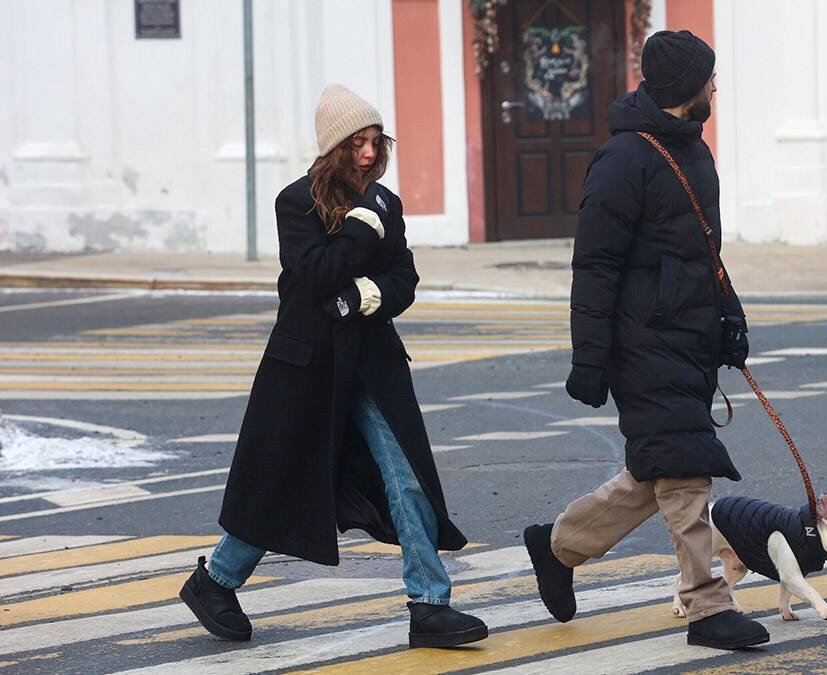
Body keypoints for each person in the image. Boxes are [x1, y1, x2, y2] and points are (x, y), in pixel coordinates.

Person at [179, 84, 487, 649]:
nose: (368, 155)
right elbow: (316, 273)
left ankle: (430, 604)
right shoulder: (295, 202)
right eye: (356, 144)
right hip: (307, 370)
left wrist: (360, 297)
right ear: (332, 148)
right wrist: (360, 228)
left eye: (375, 142)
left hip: (372, 367)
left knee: (406, 478)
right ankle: (215, 580)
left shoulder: (383, 201)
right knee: (283, 481)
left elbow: (404, 279)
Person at [523, 30, 763, 650]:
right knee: (685, 469)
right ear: (687, 86)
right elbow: (594, 266)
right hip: (643, 344)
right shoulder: (625, 159)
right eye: (709, 77)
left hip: (689, 340)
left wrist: (728, 316)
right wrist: (589, 359)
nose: (716, 85)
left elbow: (704, 252)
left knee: (653, 471)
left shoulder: (694, 153)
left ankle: (558, 547)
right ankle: (708, 608)